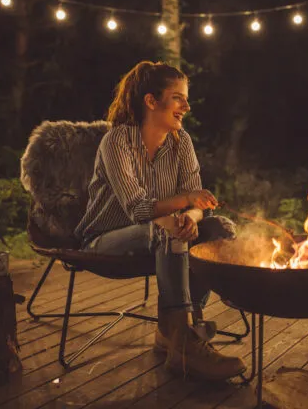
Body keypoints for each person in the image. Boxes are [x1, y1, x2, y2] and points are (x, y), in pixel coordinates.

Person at [75, 61, 245, 381]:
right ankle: (185, 339)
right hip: (105, 239)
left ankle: (173, 333)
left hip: (163, 233)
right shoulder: (117, 142)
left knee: (218, 228)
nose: (186, 106)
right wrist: (186, 203)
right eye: (177, 97)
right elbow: (139, 210)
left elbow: (196, 207)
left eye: (186, 98)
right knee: (166, 229)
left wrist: (192, 217)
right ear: (151, 101)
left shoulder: (182, 143)